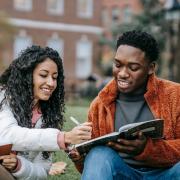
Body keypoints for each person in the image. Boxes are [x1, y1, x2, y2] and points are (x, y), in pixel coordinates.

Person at [70, 30, 180, 179]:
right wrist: (79, 156)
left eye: (133, 68)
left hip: (167, 174)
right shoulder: (100, 104)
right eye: (117, 65)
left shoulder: (174, 95)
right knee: (98, 154)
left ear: (151, 68)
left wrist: (147, 149)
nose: (122, 73)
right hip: (123, 173)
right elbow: (96, 168)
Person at [0, 45, 92, 179]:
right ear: (27, 75)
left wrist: (19, 165)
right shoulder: (3, 96)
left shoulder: (48, 116)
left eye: (54, 77)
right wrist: (63, 137)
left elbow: (43, 171)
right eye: (43, 75)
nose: (51, 83)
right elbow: (8, 135)